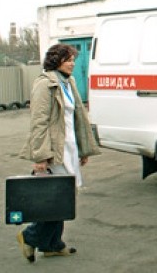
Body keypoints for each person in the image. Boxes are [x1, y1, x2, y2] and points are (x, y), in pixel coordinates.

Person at [17, 44, 101, 263]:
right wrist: (40, 157)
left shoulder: (68, 83)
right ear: (56, 60)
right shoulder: (45, 84)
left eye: (73, 59)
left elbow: (76, 119)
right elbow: (39, 122)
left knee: (63, 198)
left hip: (69, 148)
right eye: (68, 59)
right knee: (57, 198)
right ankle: (30, 237)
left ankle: (52, 244)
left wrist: (82, 149)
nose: (72, 63)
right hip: (54, 151)